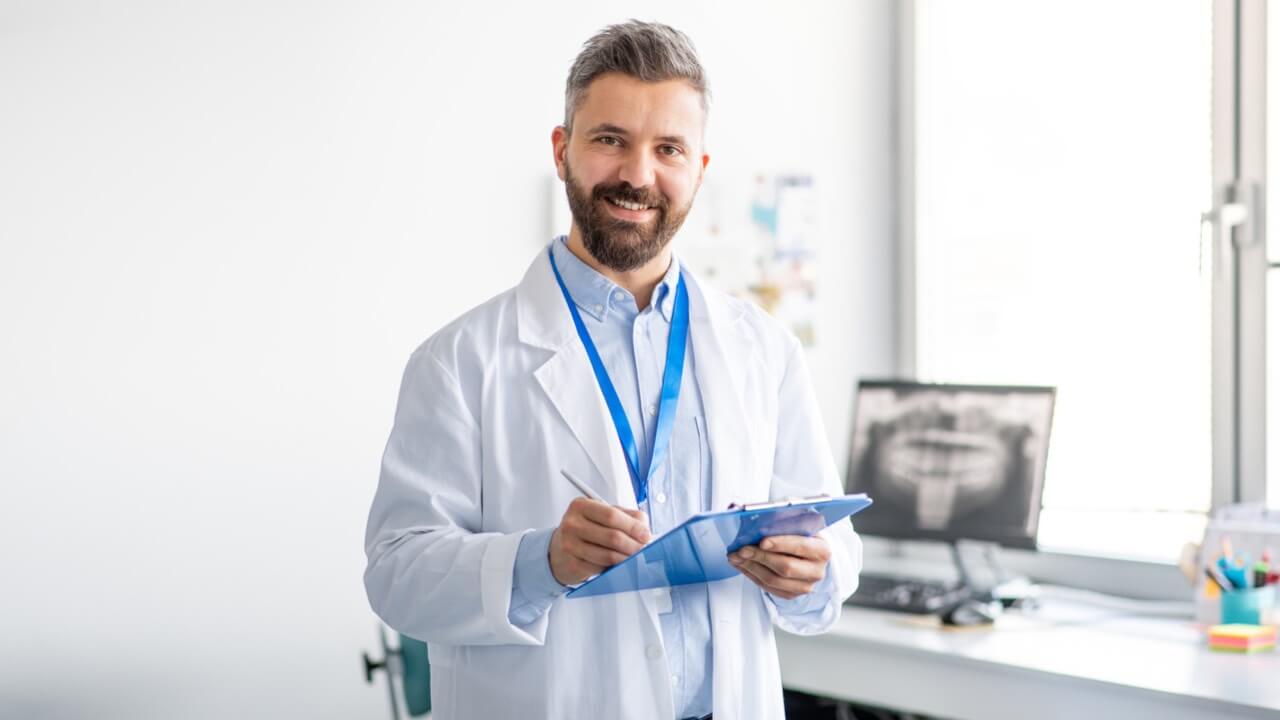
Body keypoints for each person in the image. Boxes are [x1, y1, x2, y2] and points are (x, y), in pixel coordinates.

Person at [364, 20, 862, 720]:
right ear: (563, 150)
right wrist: (542, 562)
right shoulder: (458, 361)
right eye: (610, 140)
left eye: (668, 149)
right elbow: (396, 575)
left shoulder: (764, 350)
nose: (638, 174)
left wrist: (811, 572)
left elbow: (833, 549)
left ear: (699, 169)